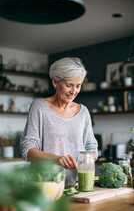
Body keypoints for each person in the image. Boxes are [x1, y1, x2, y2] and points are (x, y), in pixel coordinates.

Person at [20, 57, 98, 187]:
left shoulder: (83, 112)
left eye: (78, 86)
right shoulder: (39, 107)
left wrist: (87, 159)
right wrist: (57, 159)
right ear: (55, 82)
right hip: (43, 186)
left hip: (74, 186)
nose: (74, 91)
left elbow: (92, 147)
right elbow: (27, 150)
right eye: (69, 85)